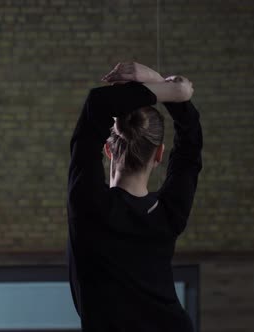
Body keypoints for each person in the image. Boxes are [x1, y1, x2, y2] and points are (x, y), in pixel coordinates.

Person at [67, 62, 203, 332]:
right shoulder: (169, 213)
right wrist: (169, 89)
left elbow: (97, 104)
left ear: (108, 150)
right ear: (159, 154)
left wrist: (170, 90)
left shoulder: (88, 205)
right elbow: (190, 146)